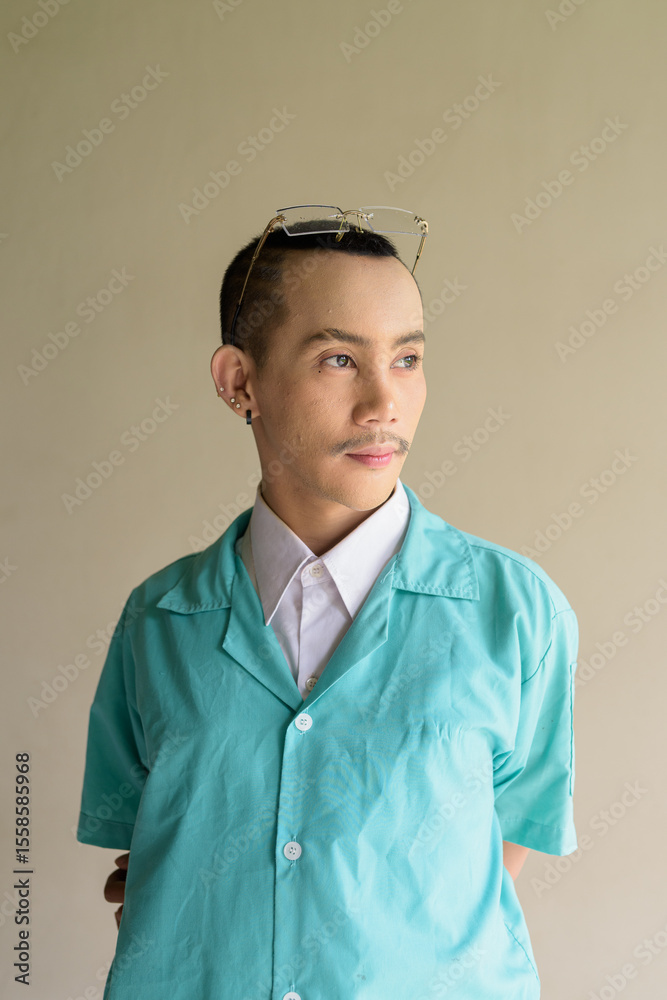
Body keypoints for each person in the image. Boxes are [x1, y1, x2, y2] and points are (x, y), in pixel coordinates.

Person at [77, 205, 579, 1000]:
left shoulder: (516, 612)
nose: (384, 402)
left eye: (406, 359)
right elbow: (141, 856)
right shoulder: (159, 620)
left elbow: (506, 837)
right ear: (239, 381)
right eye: (338, 359)